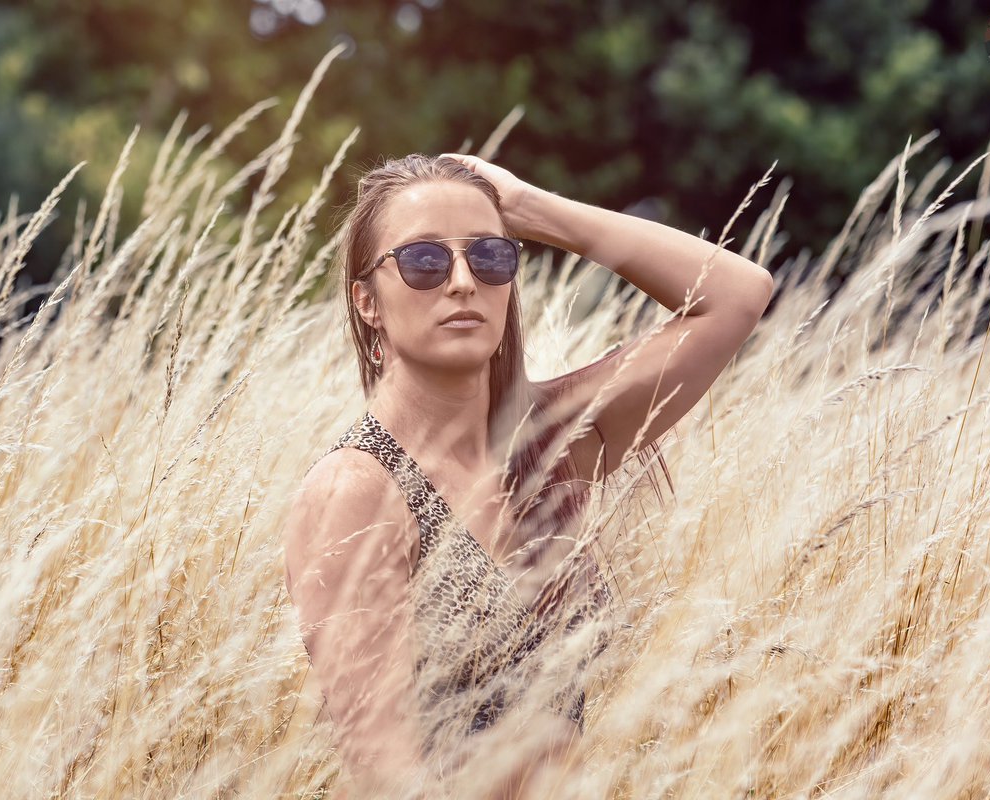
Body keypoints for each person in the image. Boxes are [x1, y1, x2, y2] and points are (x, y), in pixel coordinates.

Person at [281, 153, 774, 798]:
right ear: (367, 302)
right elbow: (384, 771)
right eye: (424, 261)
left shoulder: (549, 446)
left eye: (489, 257)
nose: (462, 281)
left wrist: (532, 209)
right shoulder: (360, 490)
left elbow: (738, 294)